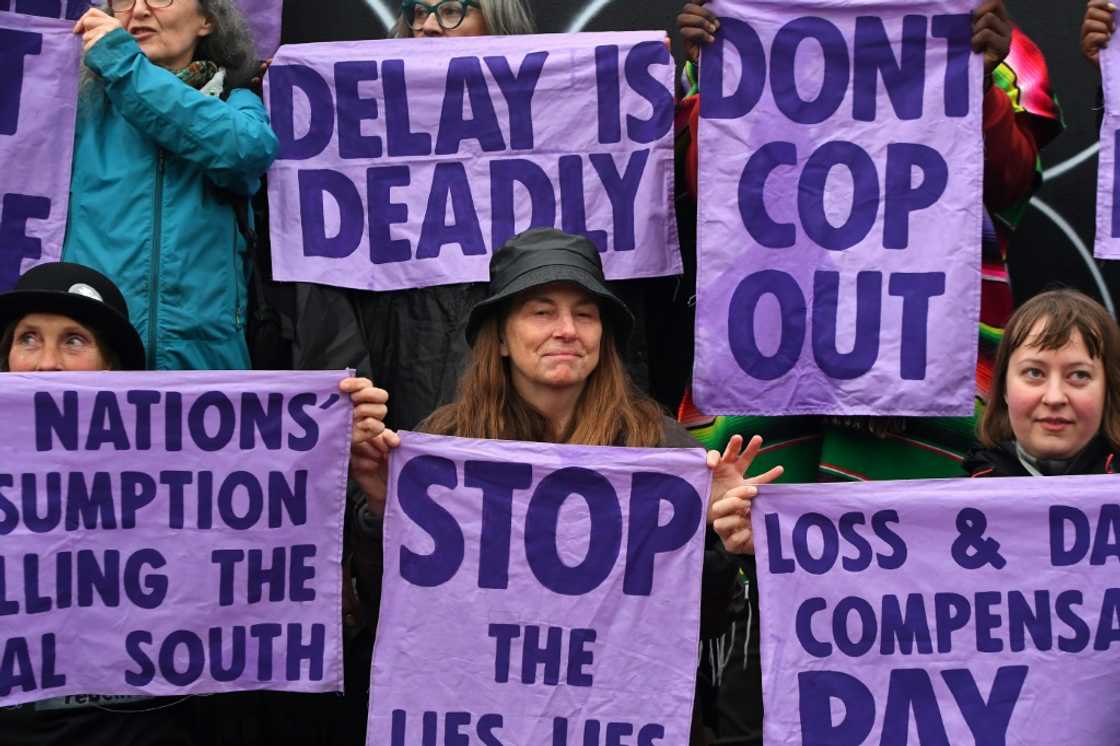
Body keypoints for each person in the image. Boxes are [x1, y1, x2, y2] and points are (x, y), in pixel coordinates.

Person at [348, 228, 780, 746]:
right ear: (502, 338)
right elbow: (403, 622)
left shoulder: (661, 448)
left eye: (586, 314)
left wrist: (721, 534)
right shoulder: (446, 444)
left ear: (604, 338)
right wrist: (380, 505)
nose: (567, 330)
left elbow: (702, 624)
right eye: (542, 311)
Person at [0, 262, 388, 746]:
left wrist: (333, 439)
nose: (47, 363)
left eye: (74, 341)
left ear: (112, 367)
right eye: (28, 339)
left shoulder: (192, 470)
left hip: (154, 724)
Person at [66, 0, 278, 372]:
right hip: (92, 356)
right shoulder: (74, 110)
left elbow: (245, 151)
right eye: (123, 1)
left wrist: (124, 66)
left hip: (204, 368)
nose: (139, 11)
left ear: (208, 20)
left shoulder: (238, 101)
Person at [965, 289, 1120, 477]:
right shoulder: (954, 503)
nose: (1054, 397)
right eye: (1034, 372)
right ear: (1004, 388)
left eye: (1079, 375)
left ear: (1108, 390)